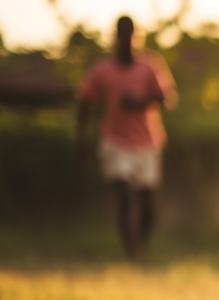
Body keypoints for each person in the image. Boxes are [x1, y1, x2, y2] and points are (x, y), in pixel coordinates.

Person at [76, 16, 177, 262]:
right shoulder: (102, 70)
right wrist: (81, 139)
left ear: (136, 36)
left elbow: (167, 98)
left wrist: (140, 102)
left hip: (147, 142)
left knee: (148, 206)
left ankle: (140, 246)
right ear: (116, 37)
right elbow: (85, 103)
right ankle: (131, 253)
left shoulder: (150, 66)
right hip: (115, 141)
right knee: (123, 195)